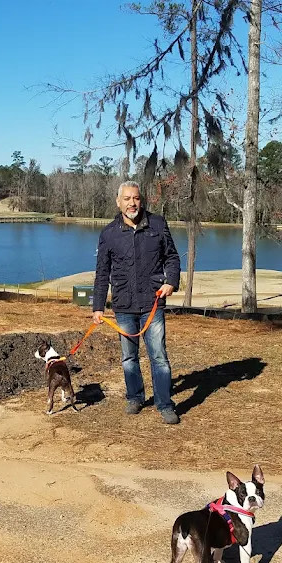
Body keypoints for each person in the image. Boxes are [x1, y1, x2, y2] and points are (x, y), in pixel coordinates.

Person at [92, 181, 181, 424]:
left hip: (152, 304)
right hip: (123, 305)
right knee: (129, 357)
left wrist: (171, 281)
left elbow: (172, 257)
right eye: (128, 199)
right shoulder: (109, 234)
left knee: (159, 356)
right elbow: (102, 273)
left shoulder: (158, 225)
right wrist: (98, 307)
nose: (133, 203)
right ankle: (135, 397)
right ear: (118, 202)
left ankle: (165, 404)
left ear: (142, 200)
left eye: (136, 198)